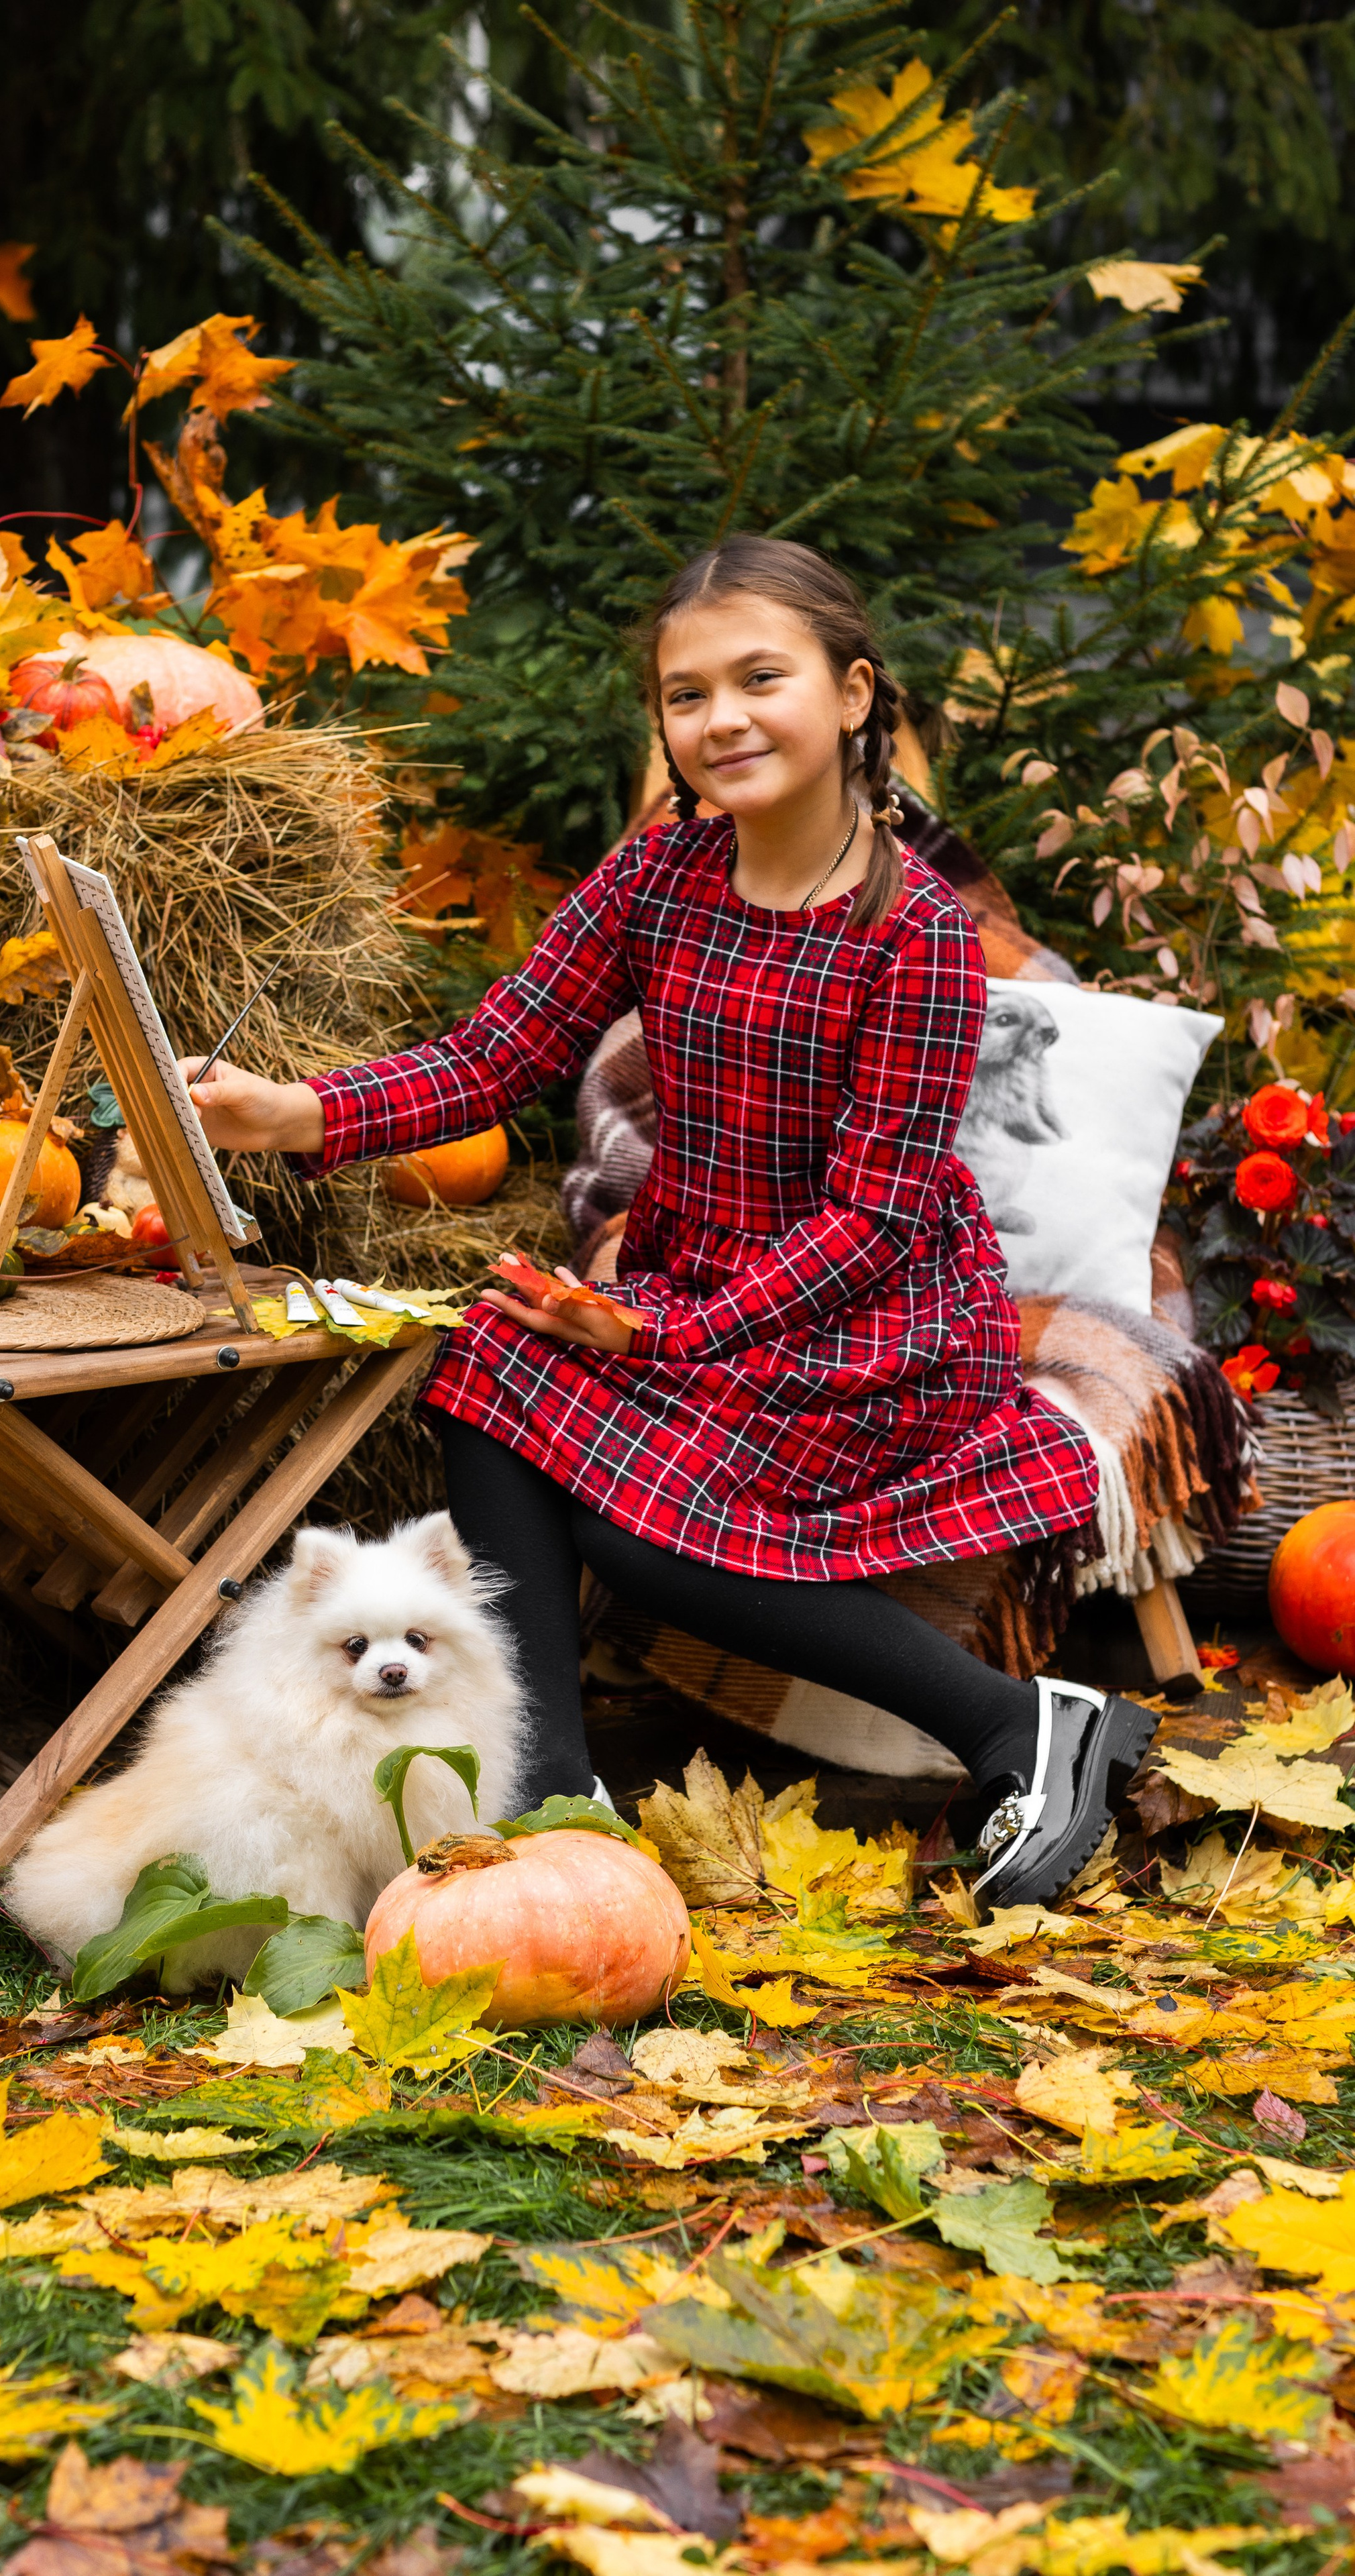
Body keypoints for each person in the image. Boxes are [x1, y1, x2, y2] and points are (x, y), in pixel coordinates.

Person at [186, 535, 1156, 1908]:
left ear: (854, 694)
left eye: (760, 678)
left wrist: (662, 1333)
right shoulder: (659, 878)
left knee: (645, 1528)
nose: (721, 719)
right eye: (686, 695)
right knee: (485, 1370)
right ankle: (548, 1789)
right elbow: (495, 1055)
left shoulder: (915, 936)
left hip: (864, 1326)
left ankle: (1018, 1725)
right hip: (687, 1292)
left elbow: (873, 1222)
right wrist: (289, 1111)